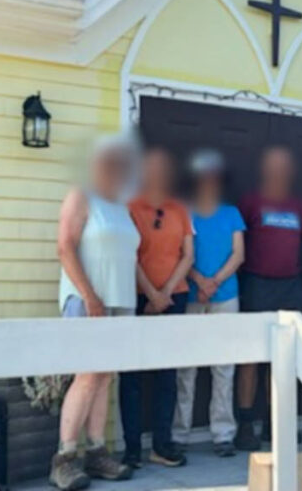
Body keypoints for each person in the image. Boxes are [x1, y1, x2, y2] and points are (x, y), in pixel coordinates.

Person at [49, 136, 137, 490]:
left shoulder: (121, 204)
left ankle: (97, 453)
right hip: (88, 300)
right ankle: (64, 459)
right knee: (86, 375)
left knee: (105, 377)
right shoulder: (81, 195)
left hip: (120, 301)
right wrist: (90, 297)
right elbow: (64, 247)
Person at [119, 148, 193, 470]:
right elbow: (129, 254)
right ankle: (132, 448)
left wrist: (164, 294)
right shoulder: (131, 206)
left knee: (167, 374)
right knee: (131, 375)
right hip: (137, 297)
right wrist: (150, 293)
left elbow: (187, 256)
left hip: (174, 298)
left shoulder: (180, 209)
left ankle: (162, 444)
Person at [173, 150, 245, 458]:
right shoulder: (184, 212)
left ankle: (223, 434)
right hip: (191, 296)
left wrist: (214, 282)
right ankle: (179, 434)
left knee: (224, 367)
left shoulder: (232, 214)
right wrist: (200, 282)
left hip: (226, 296)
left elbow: (239, 254)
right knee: (186, 368)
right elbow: (179, 254)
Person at [235, 146, 302, 451]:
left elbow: (299, 243)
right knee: (251, 358)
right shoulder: (250, 202)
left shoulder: (297, 206)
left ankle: (276, 424)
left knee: (285, 358)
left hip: (290, 286)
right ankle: (246, 426)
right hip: (256, 284)